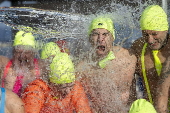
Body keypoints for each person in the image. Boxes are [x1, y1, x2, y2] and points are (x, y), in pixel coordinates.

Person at [76, 16, 137, 112]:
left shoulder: (128, 57)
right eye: (95, 34)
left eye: (105, 34)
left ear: (112, 37)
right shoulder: (82, 67)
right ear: (90, 38)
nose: (100, 39)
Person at [21, 42, 92, 113]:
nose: (68, 91)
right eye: (63, 87)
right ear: (52, 84)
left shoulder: (75, 87)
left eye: (70, 86)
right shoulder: (37, 90)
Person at [130, 5, 169, 105]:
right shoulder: (138, 47)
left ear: (166, 29)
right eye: (145, 34)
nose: (150, 40)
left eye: (154, 34)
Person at [1, 27, 45, 96]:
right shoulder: (5, 64)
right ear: (13, 52)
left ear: (33, 53)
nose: (22, 56)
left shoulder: (41, 67)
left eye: (26, 52)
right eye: (18, 52)